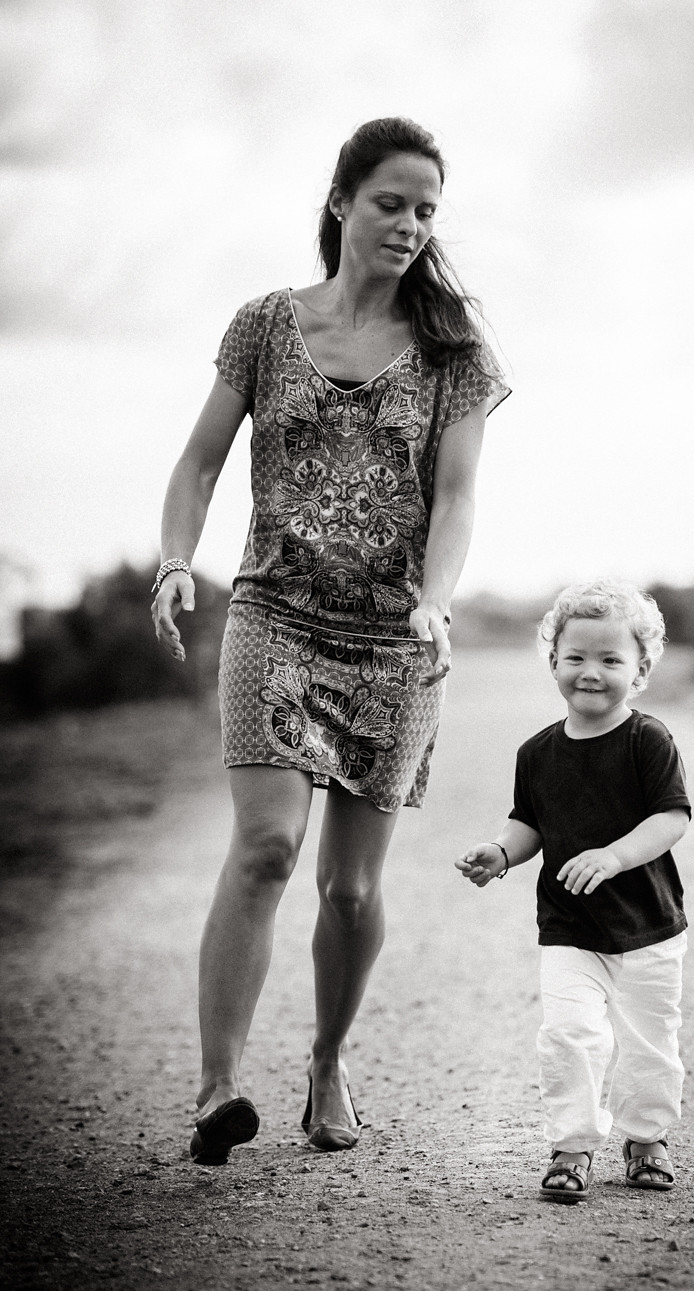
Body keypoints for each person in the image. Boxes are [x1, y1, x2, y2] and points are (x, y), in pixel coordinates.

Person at [151, 117, 509, 1165]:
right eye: (392, 201)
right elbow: (199, 464)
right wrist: (177, 559)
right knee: (267, 847)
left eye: (427, 209)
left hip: (395, 643)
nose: (409, 224)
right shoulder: (266, 325)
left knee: (350, 889)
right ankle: (219, 1086)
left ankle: (327, 1060)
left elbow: (456, 497)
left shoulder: (455, 354)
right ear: (343, 200)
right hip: (274, 616)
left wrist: (436, 603)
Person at [455, 579, 690, 1200]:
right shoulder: (536, 754)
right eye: (576, 657)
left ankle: (646, 1138)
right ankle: (573, 1146)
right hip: (568, 928)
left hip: (648, 927)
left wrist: (615, 856)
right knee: (568, 1036)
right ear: (553, 661)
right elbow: (529, 821)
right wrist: (502, 852)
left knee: (649, 1041)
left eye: (611, 660)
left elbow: (672, 818)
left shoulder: (648, 741)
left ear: (639, 672)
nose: (591, 672)